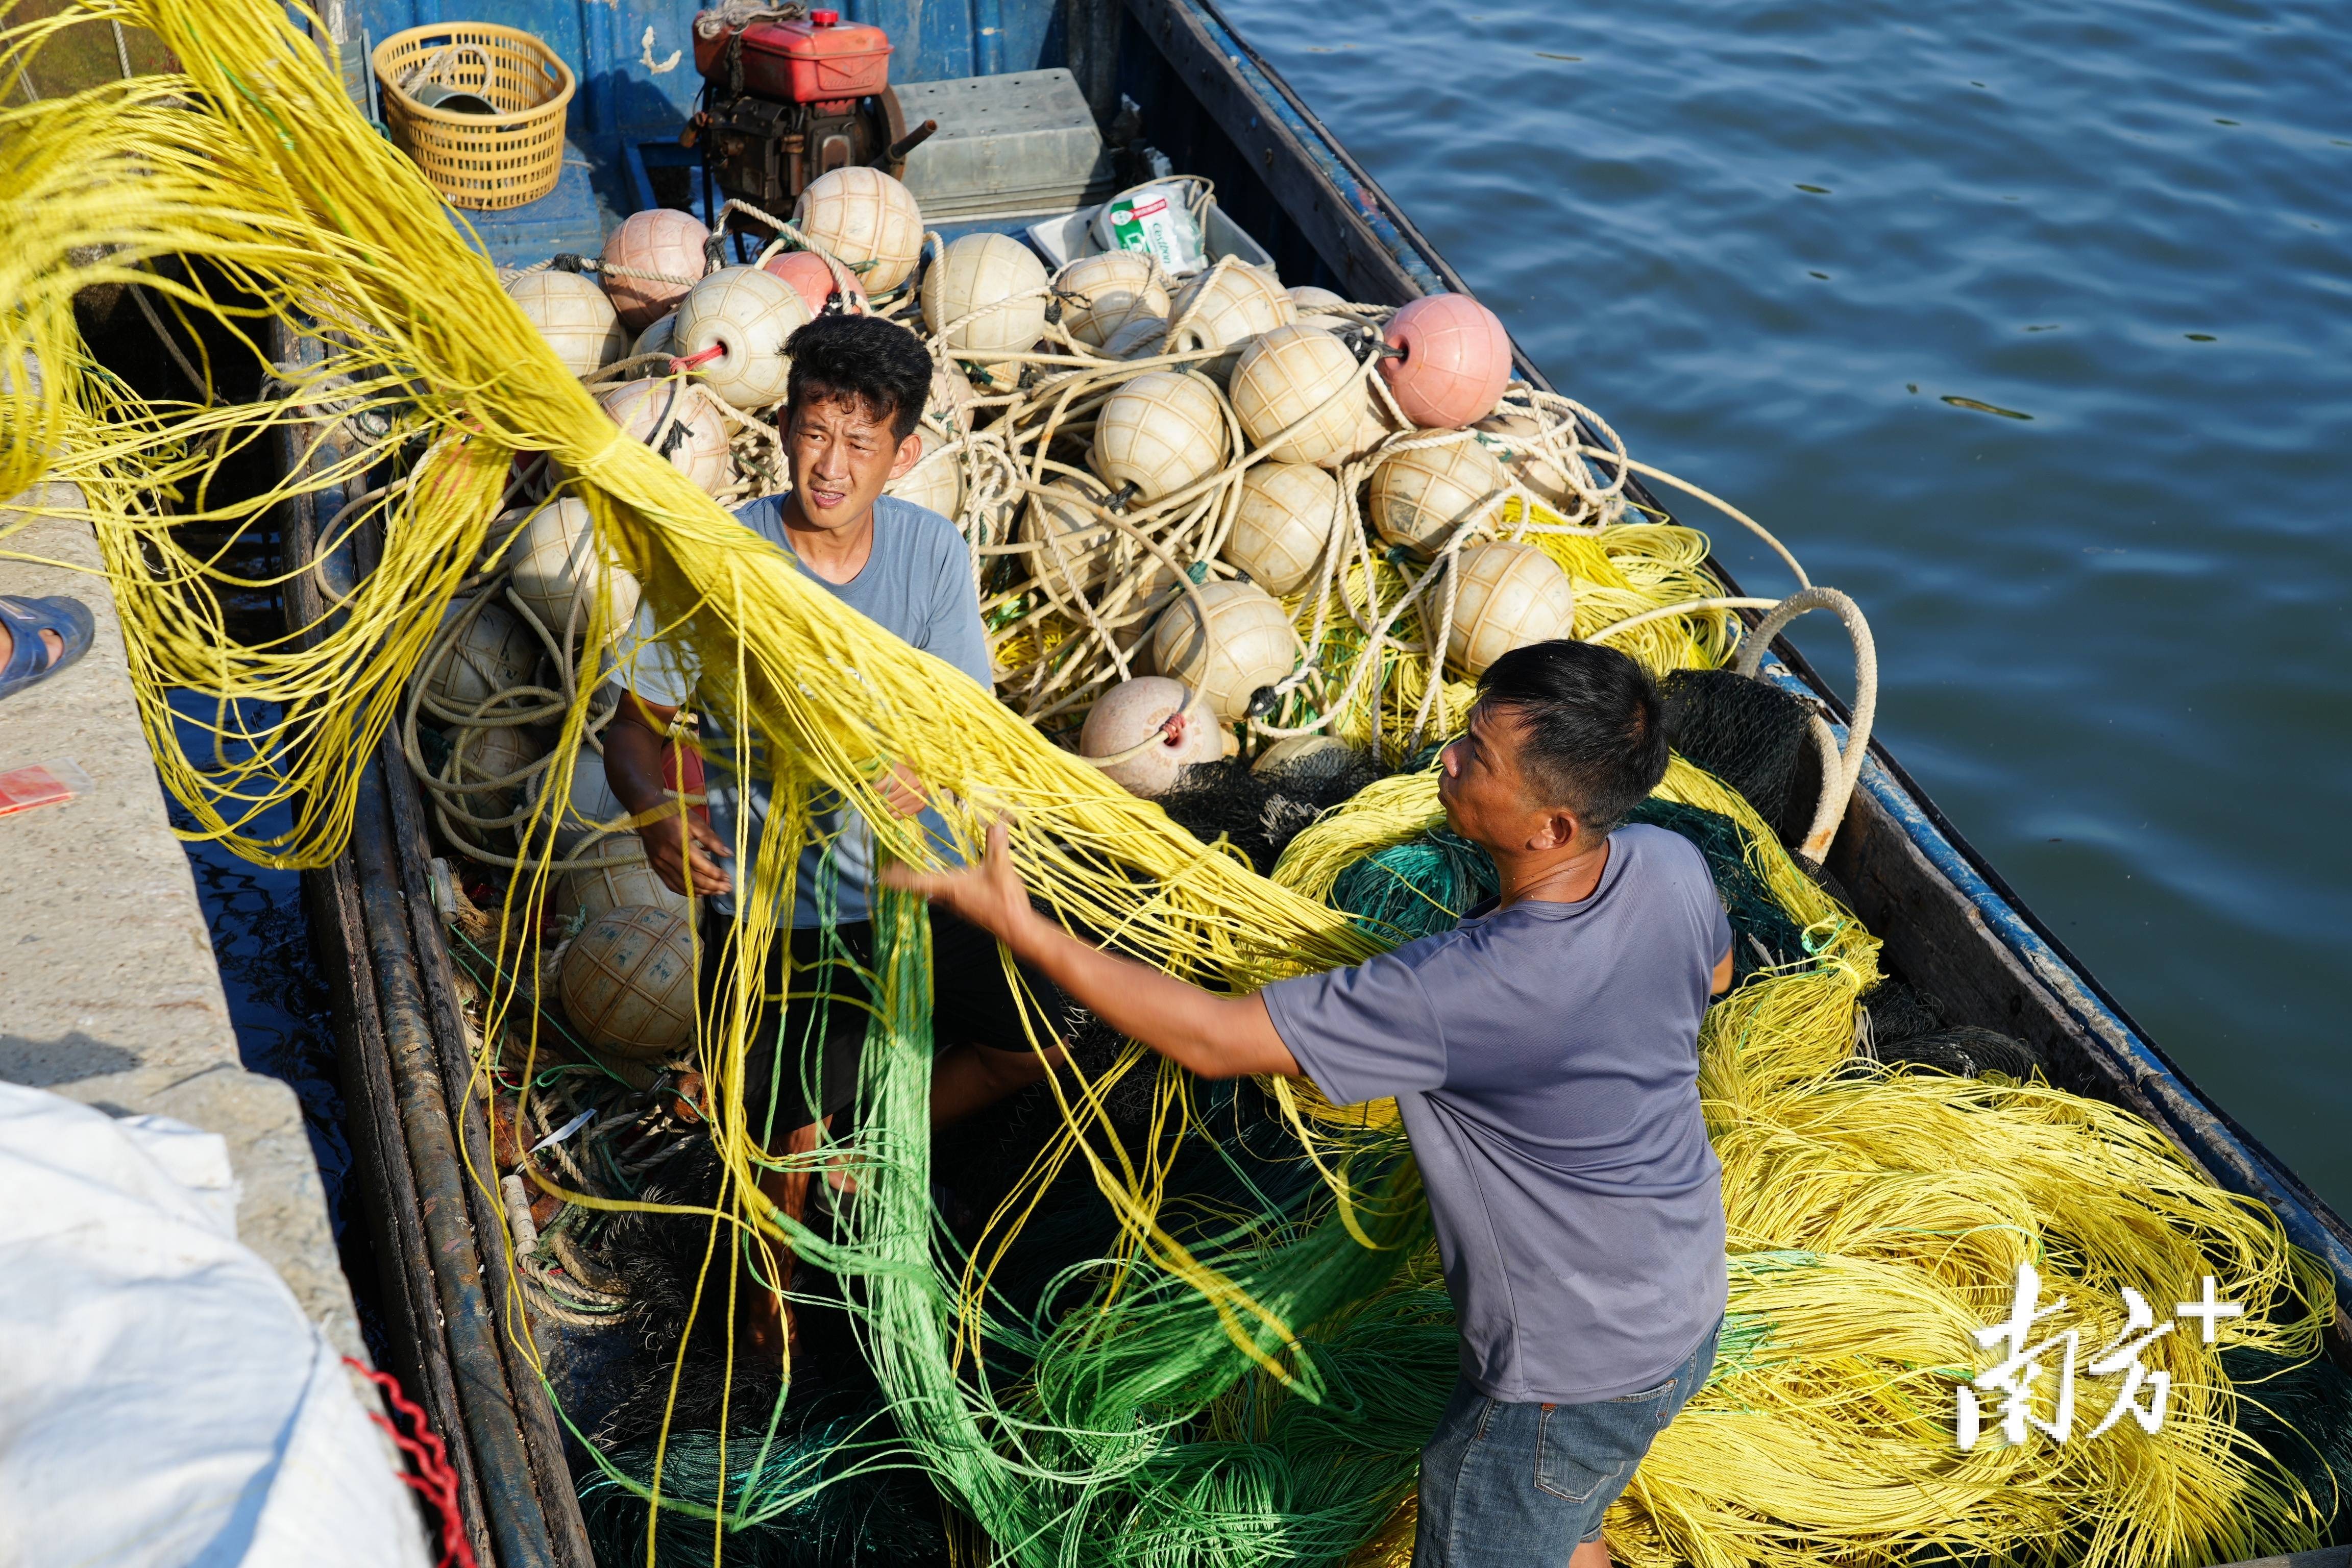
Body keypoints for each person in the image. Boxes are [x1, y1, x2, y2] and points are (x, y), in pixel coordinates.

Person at [891, 639, 1733, 1568]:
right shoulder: (1664, 864)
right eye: (1464, 733)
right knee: (1568, 1522)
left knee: (1521, 1511)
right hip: (1686, 1302)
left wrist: (1025, 931)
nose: (1447, 758)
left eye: (1477, 759)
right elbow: (1717, 969)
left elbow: (1217, 1040)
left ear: (1553, 829)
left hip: (1563, 1380)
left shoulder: (1466, 989)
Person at [601, 313, 1065, 1354]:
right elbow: (634, 731)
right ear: (783, 428)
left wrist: (932, 765)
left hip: (925, 885)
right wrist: (656, 816)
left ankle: (860, 1148)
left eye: (861, 444)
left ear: (903, 455)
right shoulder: (724, 563)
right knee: (773, 1149)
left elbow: (965, 722)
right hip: (780, 913)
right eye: (816, 433)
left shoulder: (930, 552)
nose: (832, 466)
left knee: (1025, 1046)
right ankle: (770, 1330)